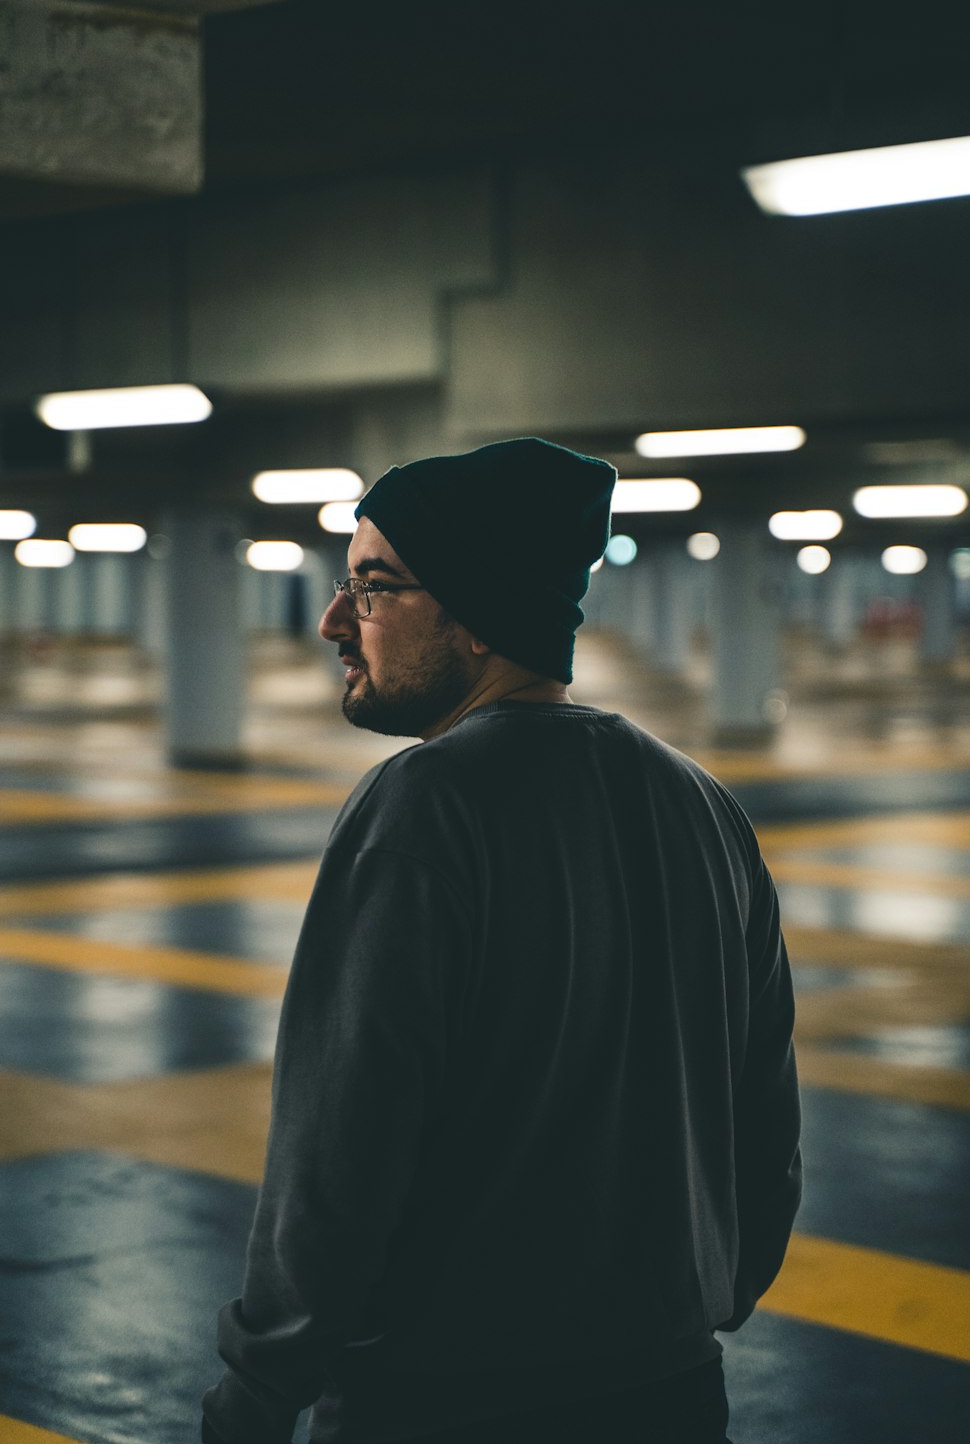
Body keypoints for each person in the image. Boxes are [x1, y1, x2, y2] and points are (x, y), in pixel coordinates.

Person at [202, 436, 801, 1444]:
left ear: (474, 615)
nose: (332, 620)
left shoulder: (423, 806)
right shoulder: (701, 804)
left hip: (448, 1398)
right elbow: (765, 1112)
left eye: (373, 586)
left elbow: (343, 1142)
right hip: (671, 1388)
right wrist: (710, 1293)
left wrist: (265, 1379)